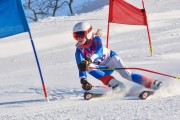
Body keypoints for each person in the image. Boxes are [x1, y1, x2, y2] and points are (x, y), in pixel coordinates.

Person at [73, 21, 162, 92]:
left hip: (112, 59)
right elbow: (81, 68)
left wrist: (89, 60)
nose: (78, 39)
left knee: (127, 75)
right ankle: (117, 86)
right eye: (76, 36)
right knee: (86, 66)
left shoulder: (96, 39)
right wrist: (83, 80)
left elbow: (99, 51)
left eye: (80, 35)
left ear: (88, 33)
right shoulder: (79, 50)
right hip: (103, 68)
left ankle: (153, 84)